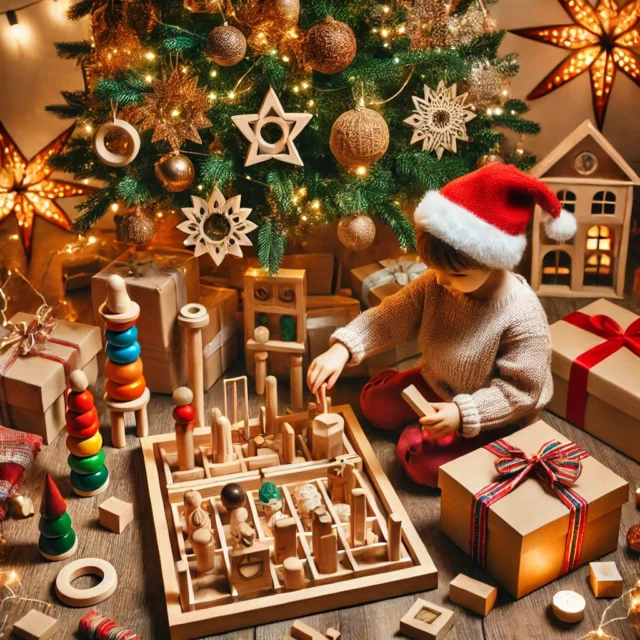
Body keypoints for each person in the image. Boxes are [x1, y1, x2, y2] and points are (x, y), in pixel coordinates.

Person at [307, 163, 577, 487]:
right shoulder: (439, 281)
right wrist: (343, 347)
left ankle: (434, 436)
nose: (439, 279)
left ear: (494, 260)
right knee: (372, 402)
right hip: (438, 381)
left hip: (490, 411)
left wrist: (463, 414)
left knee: (421, 463)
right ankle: (423, 422)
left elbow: (521, 392)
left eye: (455, 274)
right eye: (433, 268)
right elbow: (393, 314)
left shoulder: (522, 317)